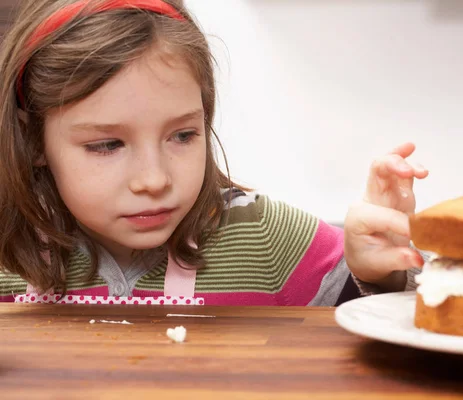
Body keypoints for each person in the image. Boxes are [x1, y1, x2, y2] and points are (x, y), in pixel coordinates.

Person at [0, 0, 428, 306]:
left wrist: (376, 272)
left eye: (182, 135)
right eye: (107, 145)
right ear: (34, 140)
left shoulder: (264, 234)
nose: (154, 179)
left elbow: (395, 317)